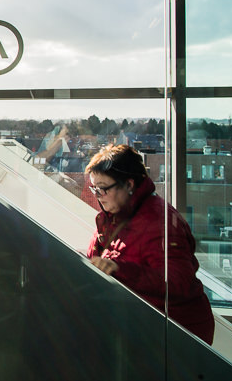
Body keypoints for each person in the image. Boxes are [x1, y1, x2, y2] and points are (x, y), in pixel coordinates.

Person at [85, 144, 215, 344]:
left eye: (103, 188)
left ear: (128, 185)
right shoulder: (116, 216)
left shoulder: (160, 222)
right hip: (144, 326)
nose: (97, 196)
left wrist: (119, 270)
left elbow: (178, 280)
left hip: (175, 336)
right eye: (94, 188)